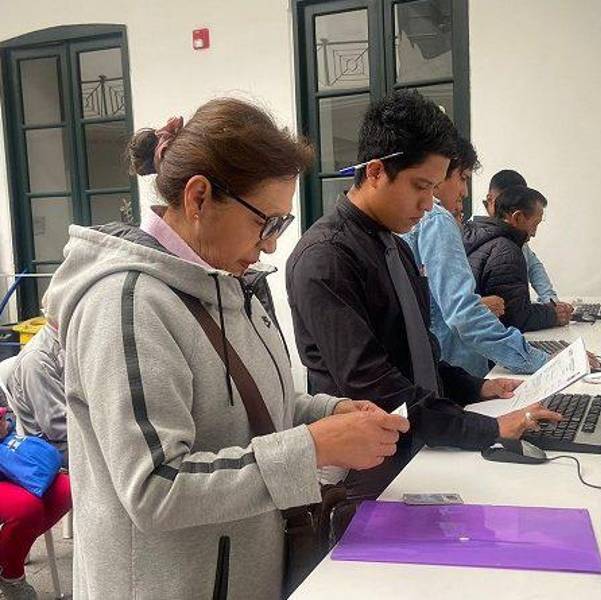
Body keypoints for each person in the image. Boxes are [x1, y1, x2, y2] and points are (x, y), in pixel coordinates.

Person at [43, 98, 408, 599]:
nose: (272, 244)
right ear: (198, 198)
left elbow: (245, 405)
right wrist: (315, 446)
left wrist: (329, 411)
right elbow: (155, 487)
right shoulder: (127, 304)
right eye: (268, 222)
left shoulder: (227, 283)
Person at [286, 91, 560, 495]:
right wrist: (490, 428)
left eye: (434, 188)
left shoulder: (394, 244)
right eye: (419, 186)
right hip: (368, 471)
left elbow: (420, 355)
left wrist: (477, 387)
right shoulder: (326, 258)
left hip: (417, 445)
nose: (429, 203)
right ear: (376, 172)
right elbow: (377, 387)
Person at [401, 136, 550, 377]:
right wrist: (542, 361)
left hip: (443, 367)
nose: (465, 191)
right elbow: (461, 314)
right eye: (463, 178)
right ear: (440, 174)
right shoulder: (438, 220)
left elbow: (437, 303)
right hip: (458, 368)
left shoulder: (423, 222)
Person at [465, 185, 569, 332]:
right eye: (535, 224)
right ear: (517, 217)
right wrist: (554, 314)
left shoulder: (478, 237)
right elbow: (515, 318)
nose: (534, 233)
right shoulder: (507, 250)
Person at [0, 411, 72, 600]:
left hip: (9, 459)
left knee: (66, 489)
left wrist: (6, 423)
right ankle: (11, 574)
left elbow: (9, 413)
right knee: (26, 507)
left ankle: (9, 553)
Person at [484, 170, 569, 310]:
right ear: (490, 199)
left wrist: (552, 302)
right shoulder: (478, 235)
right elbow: (515, 314)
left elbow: (534, 267)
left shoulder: (515, 236)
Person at [4, 322, 68, 466]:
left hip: (68, 436)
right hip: (55, 447)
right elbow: (57, 428)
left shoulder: (66, 342)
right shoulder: (37, 359)